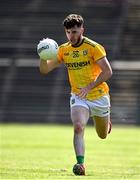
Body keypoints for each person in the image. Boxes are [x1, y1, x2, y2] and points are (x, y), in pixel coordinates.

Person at [39, 14, 113, 176]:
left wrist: (90, 86)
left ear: (82, 30)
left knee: (102, 135)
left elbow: (108, 72)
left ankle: (106, 123)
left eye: (74, 32)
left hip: (99, 95)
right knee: (78, 127)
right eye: (68, 32)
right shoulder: (64, 50)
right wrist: (43, 56)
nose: (71, 36)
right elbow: (44, 70)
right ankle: (81, 164)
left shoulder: (93, 47)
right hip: (78, 95)